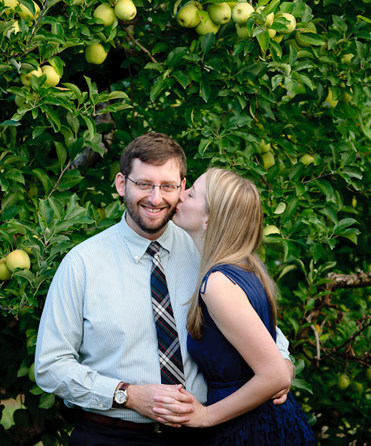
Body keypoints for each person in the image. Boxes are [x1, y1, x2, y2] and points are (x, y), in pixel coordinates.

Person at [34, 132, 295, 446]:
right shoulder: (82, 264)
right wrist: (126, 395)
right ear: (121, 184)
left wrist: (282, 366)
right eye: (144, 184)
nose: (156, 198)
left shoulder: (205, 252)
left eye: (168, 186)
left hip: (204, 435)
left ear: (182, 189)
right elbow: (50, 366)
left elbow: (256, 327)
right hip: (112, 436)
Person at [149, 168, 316, 445]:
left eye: (190, 194)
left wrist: (205, 416)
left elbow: (273, 375)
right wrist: (284, 367)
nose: (180, 196)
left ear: (208, 218)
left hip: (248, 427)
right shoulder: (245, 266)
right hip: (261, 419)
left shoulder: (217, 283)